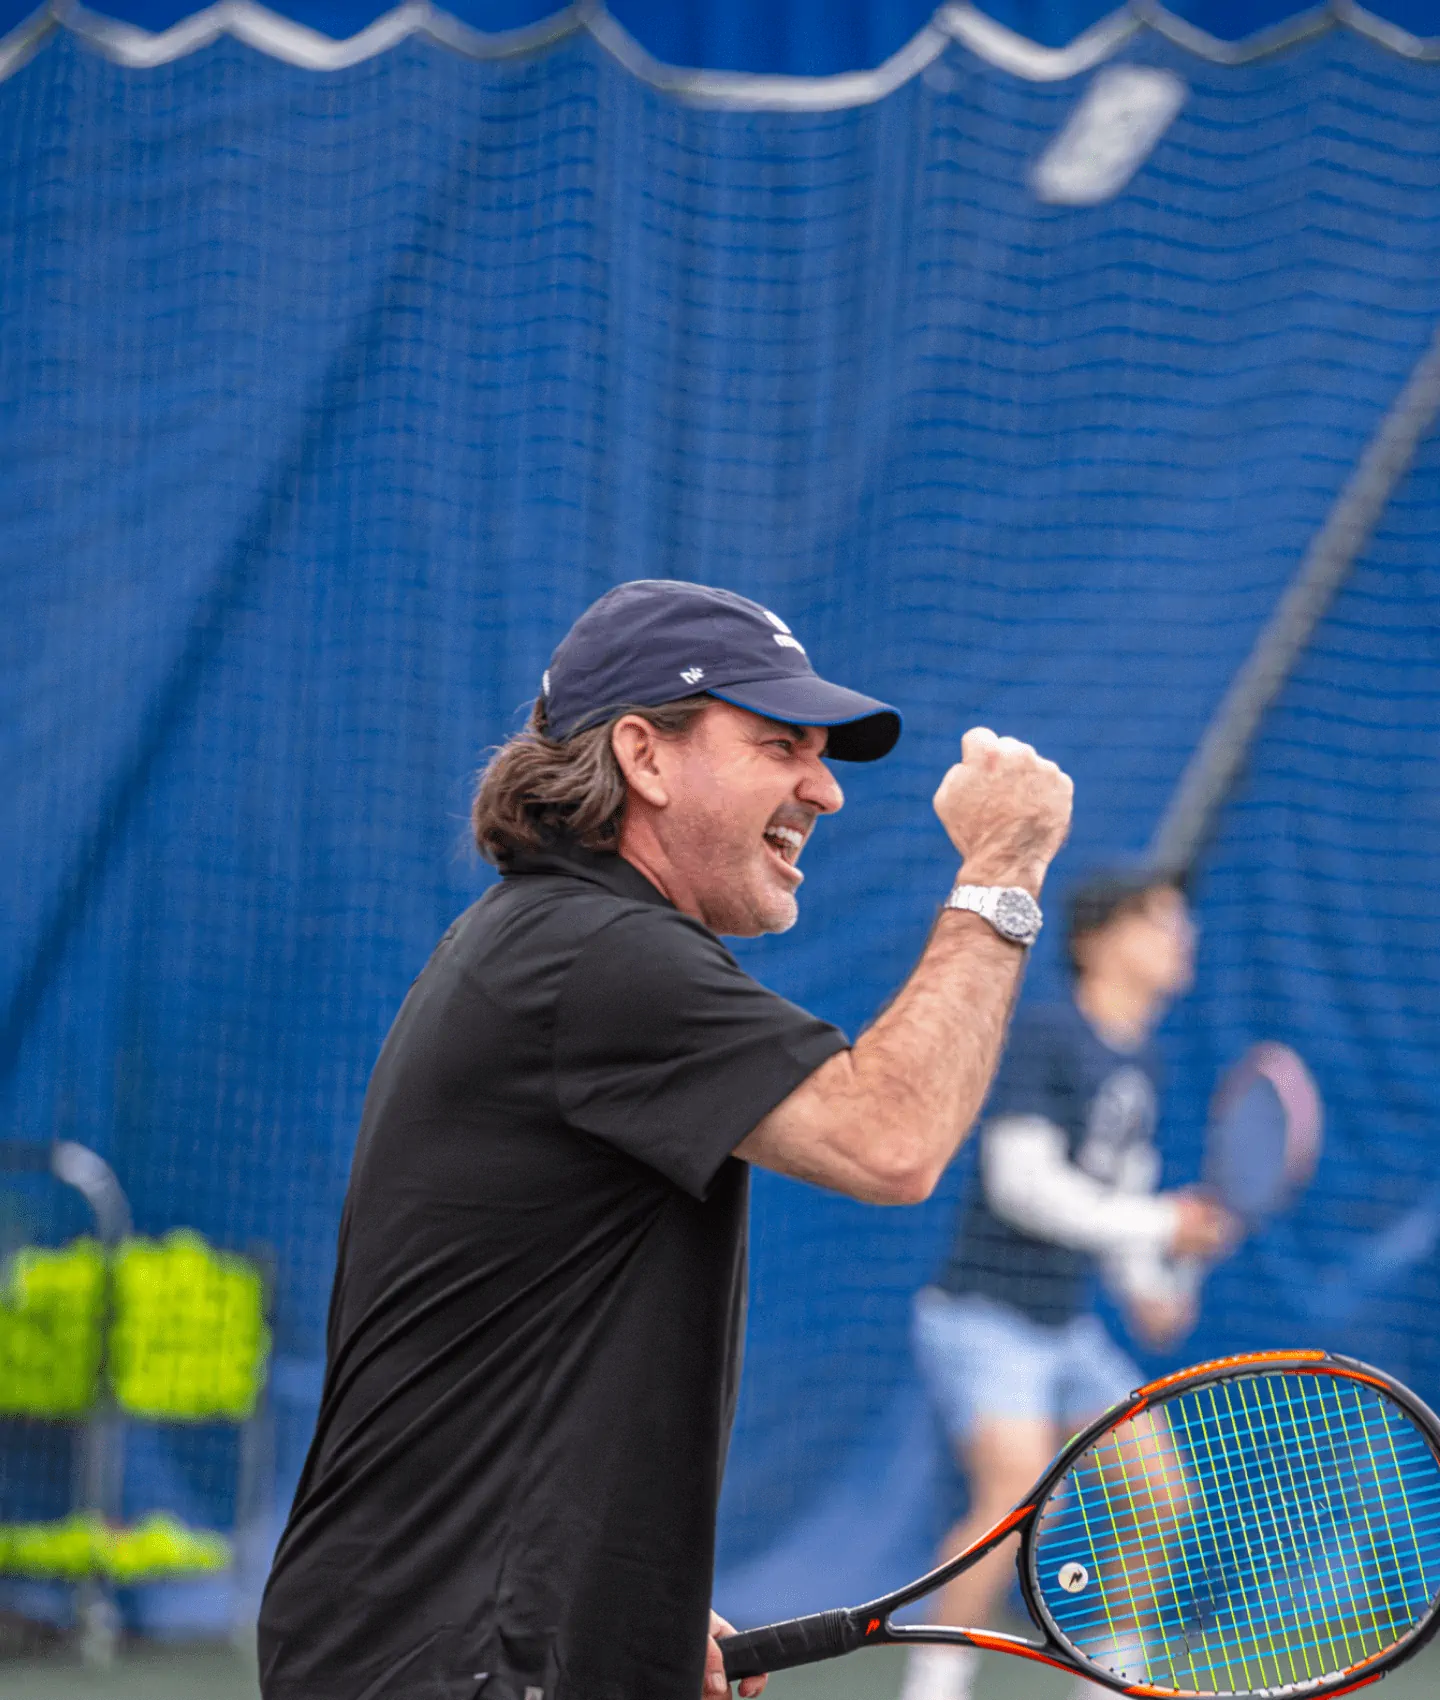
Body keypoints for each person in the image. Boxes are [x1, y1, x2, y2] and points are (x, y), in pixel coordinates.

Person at [256, 578, 1074, 1700]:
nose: (825, 789)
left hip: (465, 1643)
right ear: (643, 755)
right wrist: (1002, 870)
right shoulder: (596, 954)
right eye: (780, 745)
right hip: (454, 1662)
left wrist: (615, 1605)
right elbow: (893, 1140)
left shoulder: (561, 942)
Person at [901, 869, 1239, 1700]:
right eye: (1158, 920)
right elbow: (1023, 1185)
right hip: (983, 1314)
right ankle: (933, 1686)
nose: (1182, 937)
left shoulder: (1144, 1059)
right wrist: (1162, 1224)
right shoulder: (1049, 1034)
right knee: (1010, 1498)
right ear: (1096, 941)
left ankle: (1109, 1681)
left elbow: (1117, 1192)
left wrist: (1148, 1283)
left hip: (1066, 1326)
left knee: (1160, 1495)